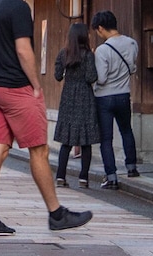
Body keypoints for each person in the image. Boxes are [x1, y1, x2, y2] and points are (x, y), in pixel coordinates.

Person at [0, 0, 92, 235]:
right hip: (16, 89)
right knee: (39, 151)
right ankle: (56, 213)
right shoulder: (18, 7)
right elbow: (23, 49)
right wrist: (36, 85)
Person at [91, 10, 141, 188]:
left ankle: (111, 177)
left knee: (106, 138)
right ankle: (131, 167)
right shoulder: (132, 43)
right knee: (126, 130)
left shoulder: (102, 50)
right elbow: (133, 68)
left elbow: (102, 78)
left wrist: (94, 83)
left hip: (104, 98)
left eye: (97, 30)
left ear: (101, 28)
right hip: (124, 95)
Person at [52, 23, 100, 189]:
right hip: (85, 96)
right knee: (86, 140)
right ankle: (83, 178)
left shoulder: (63, 54)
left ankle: (60, 176)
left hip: (68, 96)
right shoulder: (88, 55)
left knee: (66, 140)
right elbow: (91, 77)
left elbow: (58, 76)